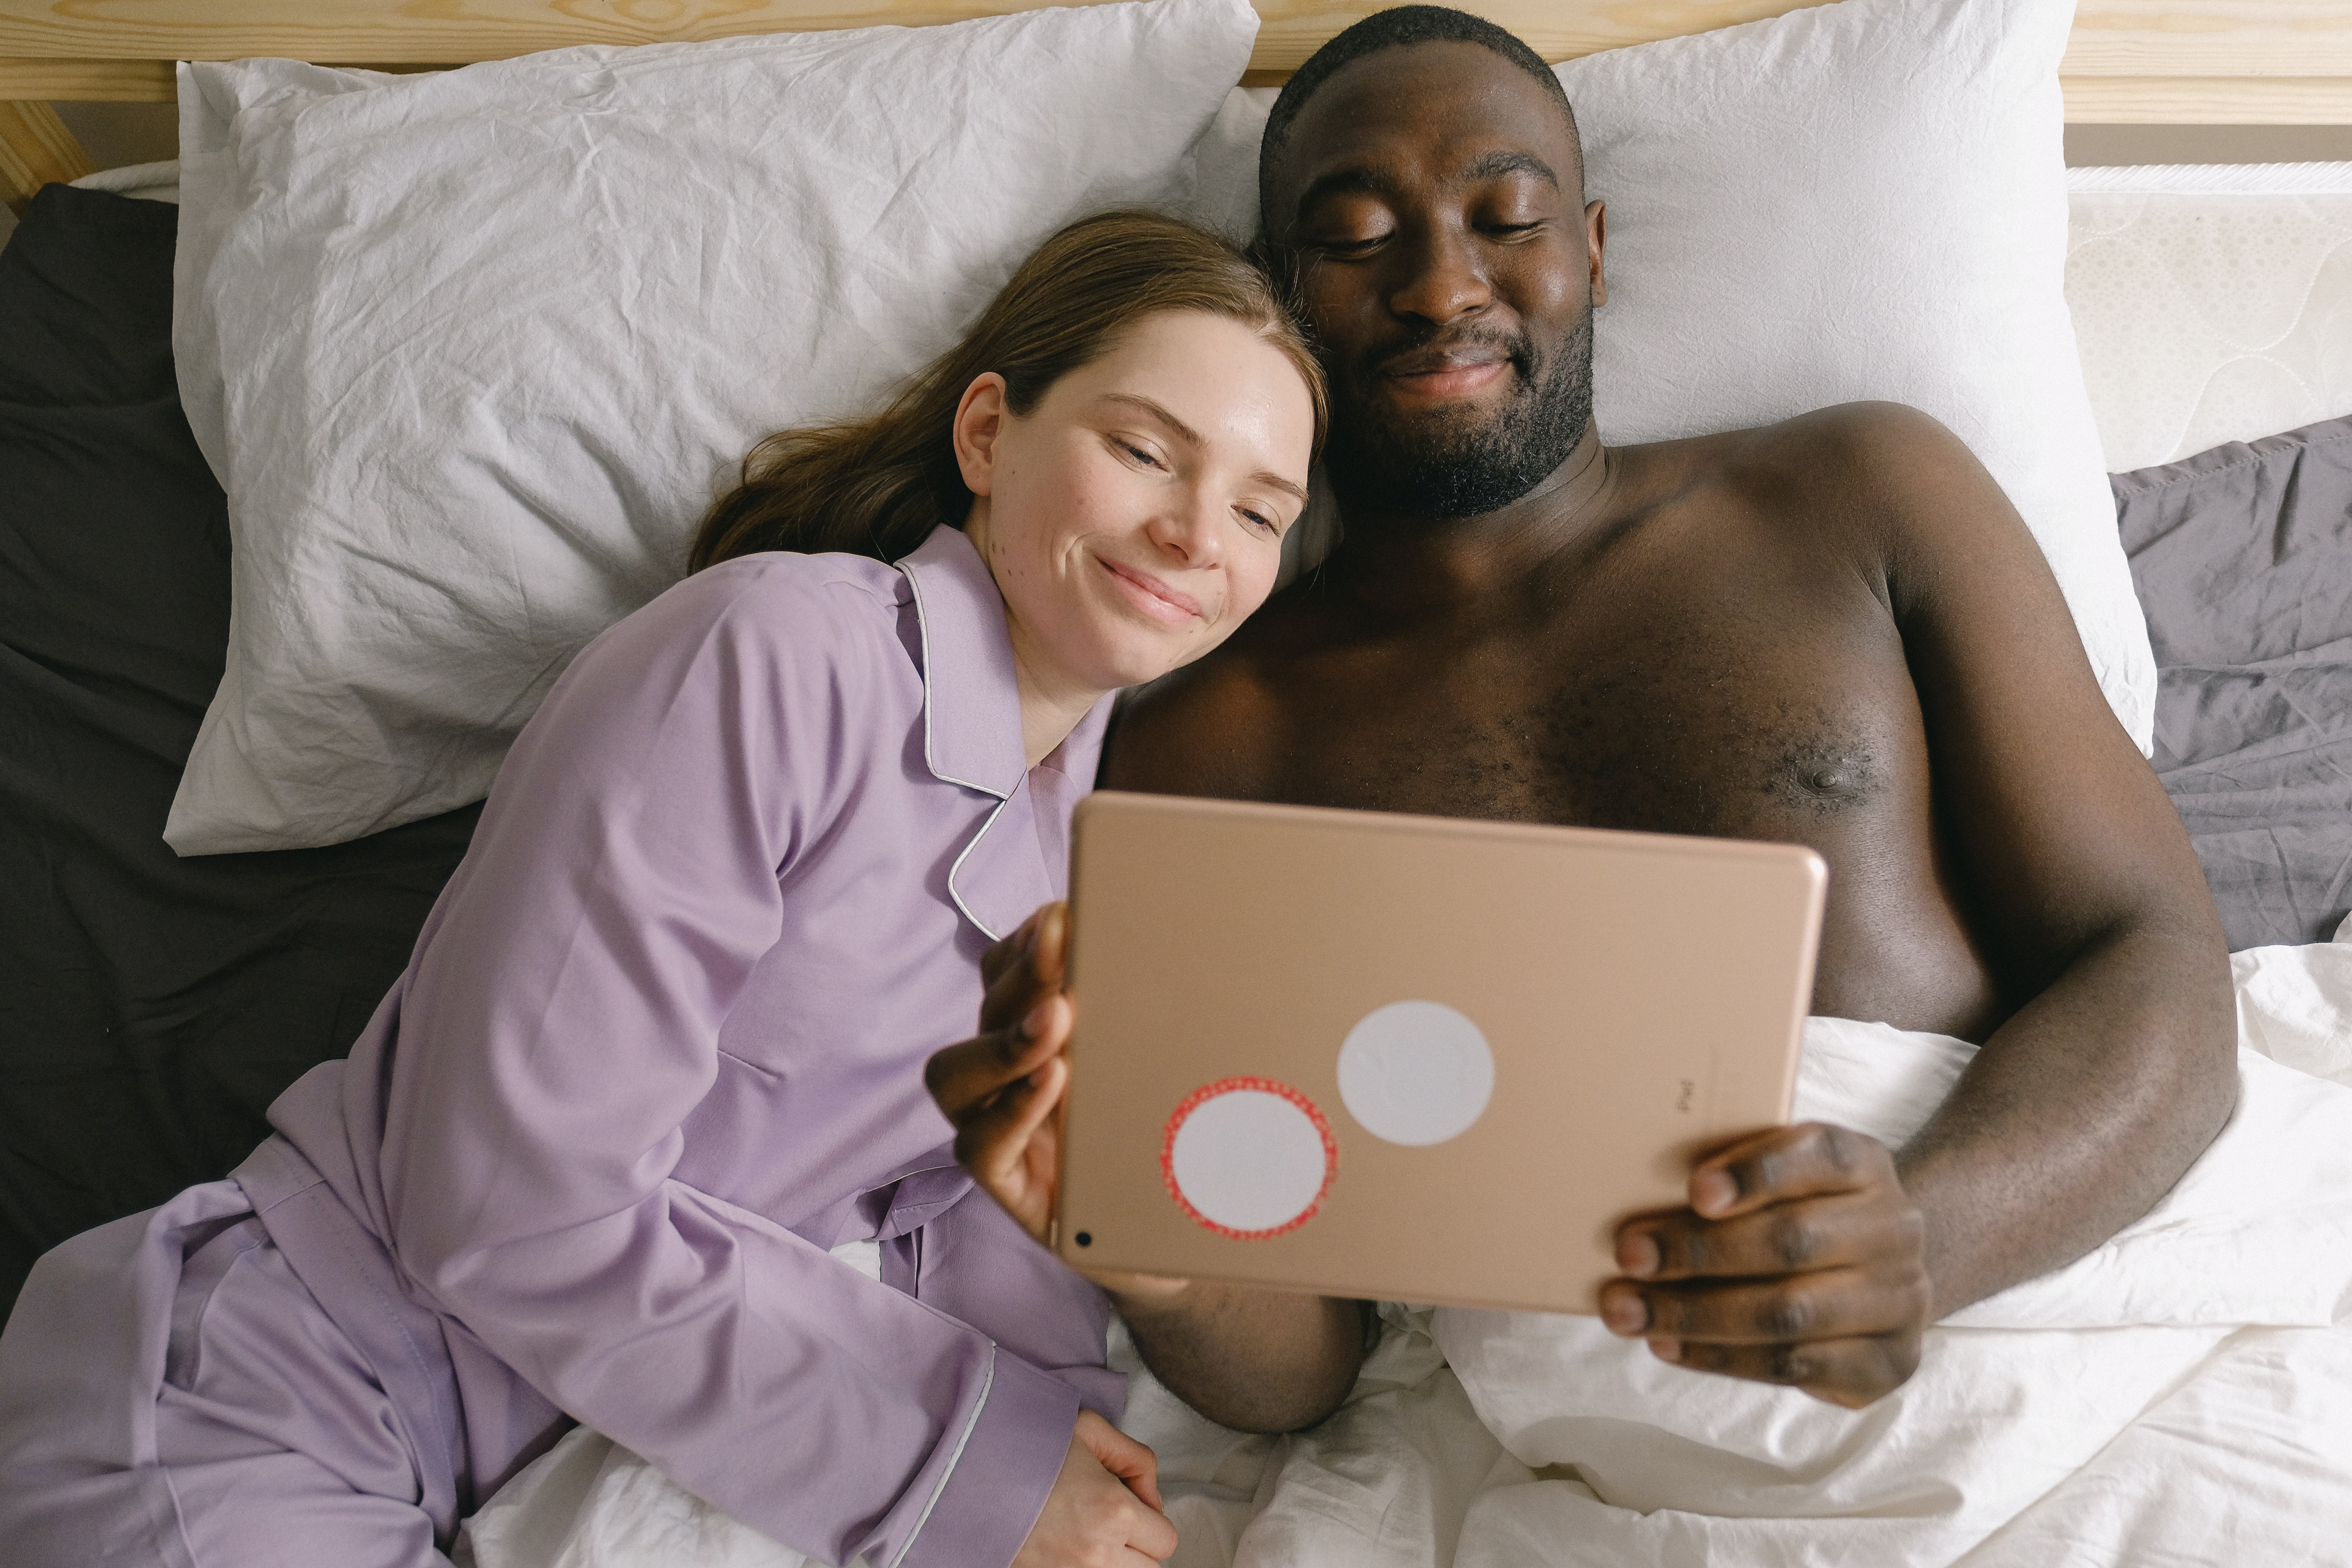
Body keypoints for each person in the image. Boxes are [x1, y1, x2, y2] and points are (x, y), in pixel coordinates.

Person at [928, 5, 2238, 1433]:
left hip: (2035, 1324)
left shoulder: (1864, 494)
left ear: (1594, 254)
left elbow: (2161, 963)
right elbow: (1310, 1365)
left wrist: (1921, 1239)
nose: (1443, 288)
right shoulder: (1216, 737)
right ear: (1282, 294)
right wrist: (1153, 1248)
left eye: (1508, 217)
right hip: (1597, 1455)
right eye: (1359, 235)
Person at [0, 210, 1323, 1568]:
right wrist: (965, 1472)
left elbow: (996, 1277)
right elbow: (514, 1201)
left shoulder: (1092, 872)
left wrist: (1049, 1459)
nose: (1195, 534)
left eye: (1260, 509)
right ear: (987, 434)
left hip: (576, 1487)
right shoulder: (781, 656)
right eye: (1146, 450)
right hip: (287, 1401)